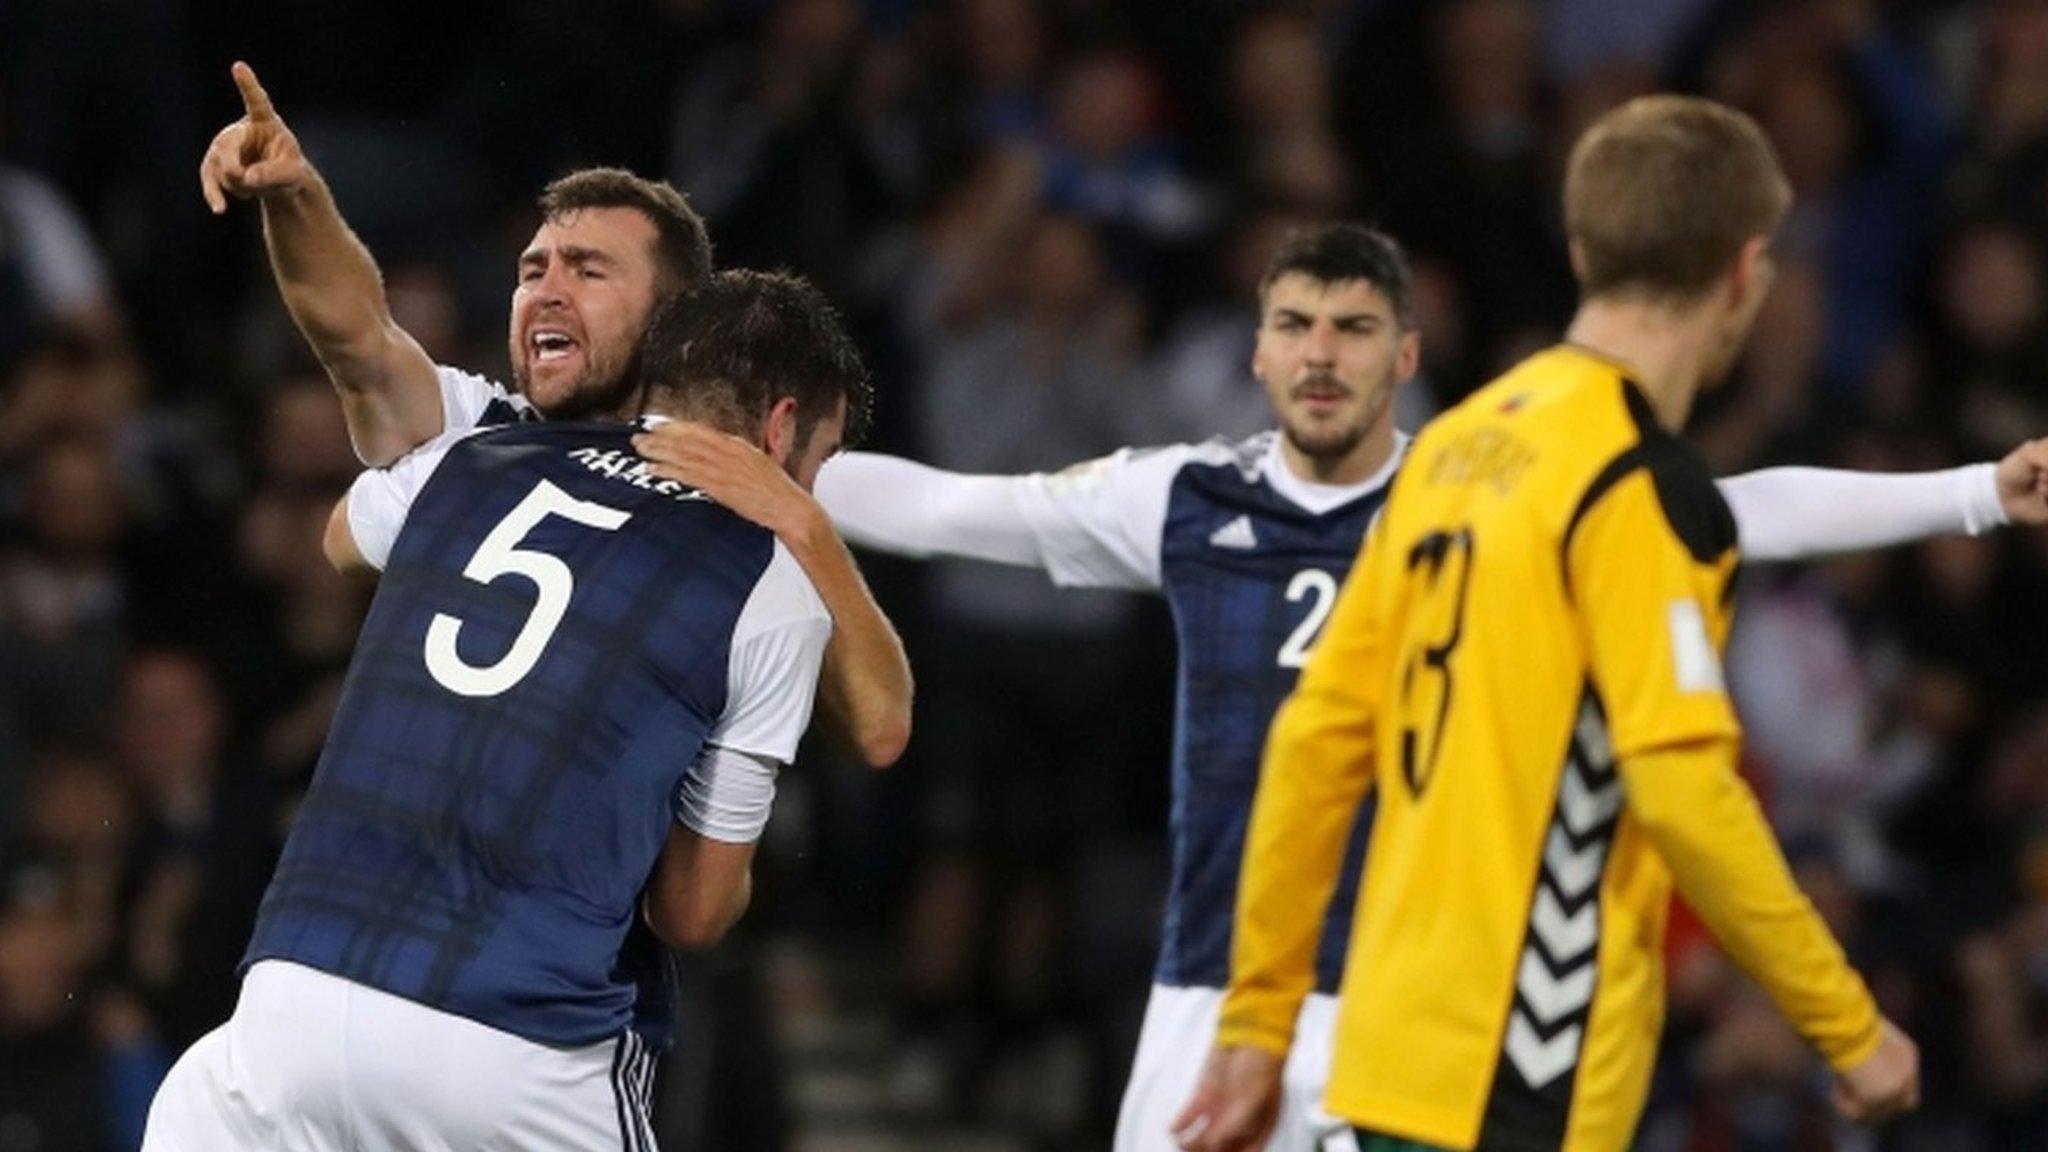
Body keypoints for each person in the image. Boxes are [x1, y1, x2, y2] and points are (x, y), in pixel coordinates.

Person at [630, 221, 2048, 1151]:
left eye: (1354, 329)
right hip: (1217, 990)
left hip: (1409, 1007)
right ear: (1255, 351)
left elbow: (1744, 504)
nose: (1320, 354)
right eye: (1295, 325)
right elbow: (951, 506)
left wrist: (1979, 491)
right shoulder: (1182, 497)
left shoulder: (1485, 494)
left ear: (1405, 358)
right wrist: (744, 466)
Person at [1175, 97, 1938, 1152]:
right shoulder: (1637, 488)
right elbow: (1681, 790)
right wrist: (1847, 1028)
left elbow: (1313, 744)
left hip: (1393, 1056)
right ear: (1743, 272)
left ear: (1582, 248)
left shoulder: (1452, 446)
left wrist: (1259, 1022)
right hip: (1522, 1072)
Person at [141, 269, 870, 1151]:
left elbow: (341, 537)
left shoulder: (468, 457)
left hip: (283, 1014)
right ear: (782, 428)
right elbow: (694, 913)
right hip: (514, 1051)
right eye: (820, 466)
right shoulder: (771, 584)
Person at [198, 61, 910, 769]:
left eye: (588, 270)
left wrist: (804, 527)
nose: (547, 291)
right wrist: (296, 197)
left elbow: (879, 728)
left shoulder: (729, 497)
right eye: (532, 271)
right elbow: (361, 341)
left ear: (669, 322)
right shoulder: (477, 433)